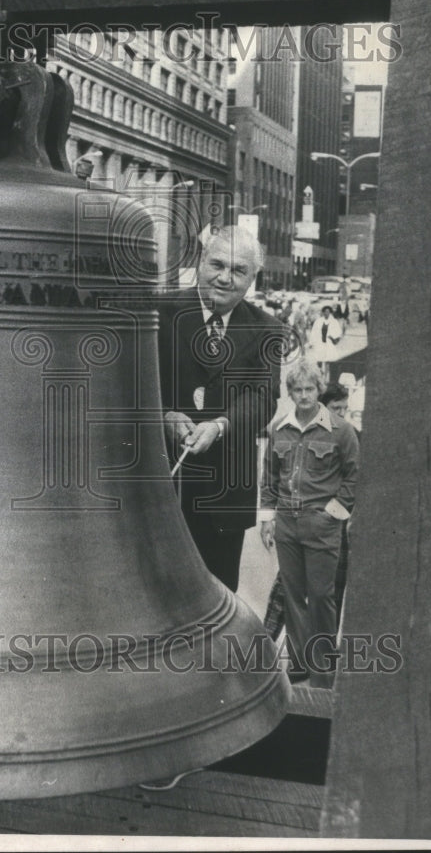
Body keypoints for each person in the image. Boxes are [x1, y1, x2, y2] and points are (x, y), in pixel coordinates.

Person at [158, 226, 284, 592]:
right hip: (160, 491)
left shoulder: (267, 330)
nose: (225, 278)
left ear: (252, 279)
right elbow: (129, 388)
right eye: (217, 264)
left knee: (217, 604)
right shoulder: (158, 313)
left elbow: (263, 398)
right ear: (200, 262)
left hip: (224, 500)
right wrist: (164, 415)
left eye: (239, 270)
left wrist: (220, 425)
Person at [259, 361, 359, 686]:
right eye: (298, 390)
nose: (304, 396)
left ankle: (324, 666)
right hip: (287, 523)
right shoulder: (278, 429)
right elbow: (270, 478)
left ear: (319, 389)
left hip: (322, 526)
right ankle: (300, 662)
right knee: (292, 594)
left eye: (310, 389)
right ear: (290, 393)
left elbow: (355, 476)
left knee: (321, 596)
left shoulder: (341, 430)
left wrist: (333, 512)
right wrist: (267, 518)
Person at [308, 304, 342, 369]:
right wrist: (311, 342)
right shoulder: (318, 321)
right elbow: (314, 332)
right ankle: (319, 371)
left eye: (328, 312)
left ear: (330, 313)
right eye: (325, 312)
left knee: (329, 359)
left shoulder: (334, 322)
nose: (326, 313)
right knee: (319, 358)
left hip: (329, 343)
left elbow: (338, 332)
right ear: (323, 312)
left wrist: (332, 337)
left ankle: (327, 373)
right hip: (320, 343)